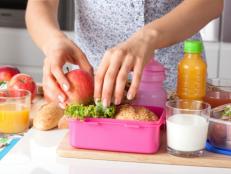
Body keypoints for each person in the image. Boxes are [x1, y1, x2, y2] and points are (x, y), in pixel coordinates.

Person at [26, 0, 223, 108]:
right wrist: (53, 42)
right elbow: (40, 3)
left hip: (181, 88)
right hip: (94, 91)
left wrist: (148, 38)